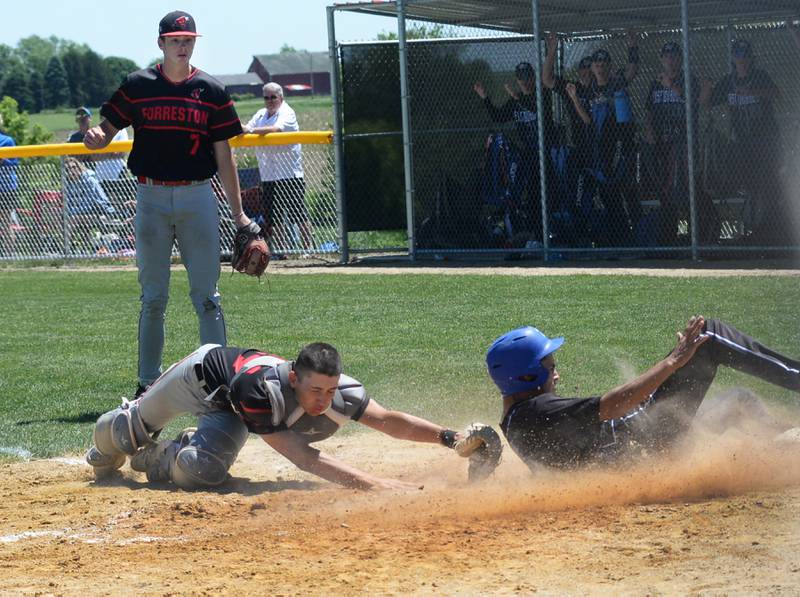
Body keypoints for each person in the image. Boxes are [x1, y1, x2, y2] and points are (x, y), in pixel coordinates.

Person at [83, 10, 252, 397]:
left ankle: (219, 381)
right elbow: (107, 130)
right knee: (154, 296)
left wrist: (239, 214)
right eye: (175, 39)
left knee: (207, 296)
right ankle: (147, 384)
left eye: (188, 38)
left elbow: (224, 156)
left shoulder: (211, 90)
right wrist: (97, 136)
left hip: (197, 194)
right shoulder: (138, 85)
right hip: (151, 196)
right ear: (161, 43)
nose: (183, 44)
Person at [86, 342, 470, 490]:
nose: (324, 400)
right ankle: (108, 450)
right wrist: (374, 484)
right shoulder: (260, 391)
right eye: (315, 391)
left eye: (330, 390)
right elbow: (302, 457)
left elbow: (389, 422)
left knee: (199, 472)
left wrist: (449, 438)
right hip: (199, 380)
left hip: (231, 412)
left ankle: (164, 453)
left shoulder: (341, 392)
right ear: (292, 378)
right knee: (120, 435)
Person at [486, 316, 800, 471]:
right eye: (548, 365)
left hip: (645, 440)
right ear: (526, 375)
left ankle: (785, 446)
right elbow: (612, 405)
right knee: (708, 335)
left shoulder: (519, 417)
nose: (557, 373)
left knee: (738, 401)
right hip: (649, 438)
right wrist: (673, 361)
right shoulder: (539, 411)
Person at [702, 39, 788, 244]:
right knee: (748, 184)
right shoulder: (728, 81)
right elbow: (706, 103)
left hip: (764, 142)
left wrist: (752, 92)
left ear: (751, 57)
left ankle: (767, 230)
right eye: (738, 55)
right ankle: (752, 229)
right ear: (733, 58)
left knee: (767, 185)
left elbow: (776, 93)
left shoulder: (759, 76)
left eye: (745, 55)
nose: (741, 59)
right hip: (742, 144)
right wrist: (706, 86)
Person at [473, 59, 557, 244]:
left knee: (547, 192)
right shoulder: (515, 99)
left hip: (544, 151)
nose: (524, 81)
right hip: (528, 153)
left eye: (527, 77)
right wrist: (485, 97)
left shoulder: (541, 95)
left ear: (533, 77)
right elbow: (499, 117)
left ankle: (549, 234)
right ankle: (534, 234)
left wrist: (517, 99)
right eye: (521, 78)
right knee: (530, 194)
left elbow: (536, 109)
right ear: (517, 80)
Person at [642, 42, 714, 245]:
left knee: (689, 190)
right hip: (662, 146)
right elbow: (648, 110)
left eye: (674, 56)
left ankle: (697, 241)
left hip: (684, 145)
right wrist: (648, 130)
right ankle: (668, 241)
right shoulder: (656, 82)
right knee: (665, 193)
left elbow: (693, 103)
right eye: (667, 56)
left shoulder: (688, 79)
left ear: (680, 59)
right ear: (662, 59)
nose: (670, 60)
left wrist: (670, 86)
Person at [583, 32, 640, 246]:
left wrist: (632, 47)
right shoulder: (589, 90)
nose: (600, 66)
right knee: (608, 194)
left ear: (609, 65)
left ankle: (637, 237)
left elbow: (633, 70)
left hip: (620, 146)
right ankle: (620, 236)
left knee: (628, 191)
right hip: (601, 150)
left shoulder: (616, 83)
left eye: (604, 63)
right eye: (596, 63)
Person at [244, 82, 313, 256]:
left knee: (298, 213)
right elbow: (247, 128)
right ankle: (283, 251)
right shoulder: (260, 114)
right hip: (268, 174)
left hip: (289, 173)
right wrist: (245, 128)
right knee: (273, 216)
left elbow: (275, 129)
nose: (269, 100)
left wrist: (250, 130)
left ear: (281, 97)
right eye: (266, 97)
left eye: (273, 97)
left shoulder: (287, 112)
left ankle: (309, 249)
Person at [542, 32, 594, 245]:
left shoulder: (600, 89)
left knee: (599, 193)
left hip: (598, 150)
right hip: (577, 148)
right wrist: (553, 50)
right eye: (583, 69)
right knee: (574, 194)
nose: (586, 73)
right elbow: (547, 80)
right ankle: (577, 234)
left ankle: (602, 234)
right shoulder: (573, 88)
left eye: (590, 69)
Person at [0, 116, 20, 256]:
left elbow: (15, 163)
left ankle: (8, 255)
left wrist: (3, 159)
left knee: (6, 222)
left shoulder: (7, 140)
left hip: (6, 188)